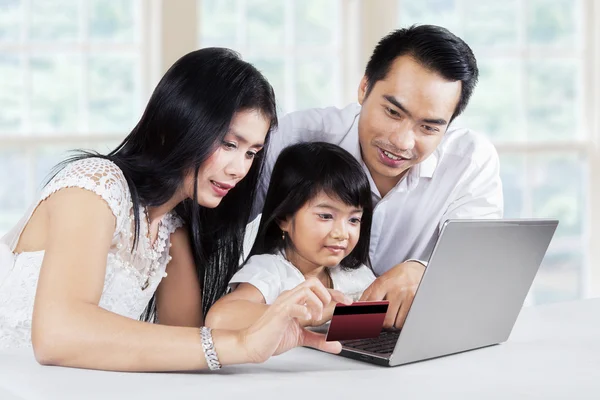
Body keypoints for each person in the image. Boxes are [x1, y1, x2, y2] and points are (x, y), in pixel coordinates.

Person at [0, 48, 351, 372]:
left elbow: (183, 342)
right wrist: (242, 344)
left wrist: (284, 321)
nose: (239, 169)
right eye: (230, 144)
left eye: (251, 152)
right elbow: (57, 335)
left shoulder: (171, 229)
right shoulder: (94, 187)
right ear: (180, 124)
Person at [249, 25, 504, 330]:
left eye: (429, 127)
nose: (402, 142)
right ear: (364, 87)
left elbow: (479, 266)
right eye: (393, 112)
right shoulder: (296, 139)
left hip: (384, 339)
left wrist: (423, 271)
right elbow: (222, 230)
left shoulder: (470, 161)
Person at [206, 142, 376, 330]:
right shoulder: (271, 271)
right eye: (326, 216)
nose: (342, 233)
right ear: (284, 219)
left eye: (353, 220)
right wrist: (304, 315)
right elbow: (220, 317)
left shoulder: (356, 274)